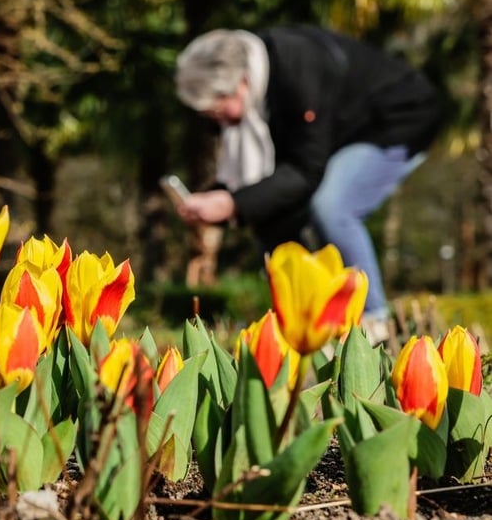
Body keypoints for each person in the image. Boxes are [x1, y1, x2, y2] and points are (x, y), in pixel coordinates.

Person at [173, 25, 443, 341]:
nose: (219, 123)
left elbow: (304, 171)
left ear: (242, 82)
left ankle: (374, 323)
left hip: (396, 121)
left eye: (218, 111)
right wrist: (222, 197)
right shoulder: (258, 79)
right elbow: (271, 185)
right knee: (275, 213)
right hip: (339, 134)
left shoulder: (299, 69)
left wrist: (233, 202)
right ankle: (305, 318)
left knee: (332, 205)